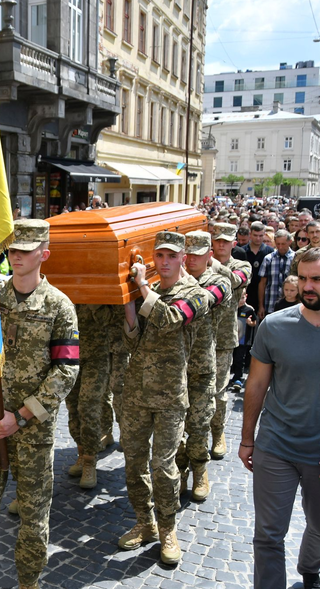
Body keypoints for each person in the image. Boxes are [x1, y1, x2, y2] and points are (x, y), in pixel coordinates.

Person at [0, 219, 79, 589]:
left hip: (32, 435)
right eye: (13, 248)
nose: (18, 255)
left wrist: (20, 417)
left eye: (26, 249)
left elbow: (66, 372)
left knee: (34, 520)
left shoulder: (59, 307)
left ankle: (29, 584)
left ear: (45, 254)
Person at [240, 247, 320, 589]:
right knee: (267, 534)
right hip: (275, 446)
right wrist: (248, 439)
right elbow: (257, 384)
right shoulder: (274, 326)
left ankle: (310, 570)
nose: (308, 287)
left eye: (317, 280)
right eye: (303, 278)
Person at [117, 232, 209, 565]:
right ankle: (145, 522)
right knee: (134, 464)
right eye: (159, 256)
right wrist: (128, 307)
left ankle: (168, 529)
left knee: (164, 468)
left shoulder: (197, 296)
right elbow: (134, 344)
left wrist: (141, 287)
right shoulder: (149, 292)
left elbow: (170, 319)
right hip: (136, 394)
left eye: (171, 256)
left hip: (171, 396)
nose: (165, 262)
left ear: (184, 257)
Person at [176, 231, 228, 502]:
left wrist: (179, 281)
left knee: (197, 426)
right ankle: (179, 473)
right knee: (173, 431)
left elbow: (204, 301)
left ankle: (200, 471)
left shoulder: (219, 282)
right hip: (172, 369)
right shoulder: (170, 282)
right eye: (188, 254)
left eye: (198, 254)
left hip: (201, 368)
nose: (192, 259)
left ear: (209, 256)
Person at [209, 223, 251, 459]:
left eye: (226, 241)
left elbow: (237, 280)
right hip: (196, 337)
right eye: (218, 240)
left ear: (234, 244)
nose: (222, 244)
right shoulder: (197, 264)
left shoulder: (241, 265)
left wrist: (212, 263)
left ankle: (217, 433)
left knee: (219, 390)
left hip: (223, 337)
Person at [64, 304, 112, 490]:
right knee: (73, 406)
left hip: (97, 356)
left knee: (88, 406)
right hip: (70, 353)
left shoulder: (100, 292)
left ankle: (90, 460)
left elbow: (111, 320)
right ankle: (81, 452)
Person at [257, 230, 294, 319]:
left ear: (290, 242)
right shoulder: (268, 258)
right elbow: (262, 283)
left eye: (283, 244)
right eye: (278, 244)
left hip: (290, 306)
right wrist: (261, 306)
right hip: (270, 304)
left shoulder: (295, 258)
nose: (280, 247)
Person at [242, 221, 273, 310]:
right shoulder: (242, 251)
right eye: (255, 235)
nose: (258, 238)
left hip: (264, 294)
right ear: (250, 234)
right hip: (246, 293)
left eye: (261, 236)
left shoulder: (270, 252)